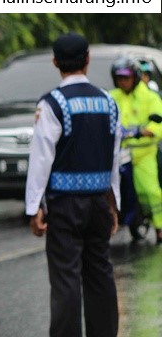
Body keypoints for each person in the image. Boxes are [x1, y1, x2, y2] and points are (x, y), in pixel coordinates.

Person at [25, 32, 120, 337]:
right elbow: (114, 157)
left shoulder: (53, 104)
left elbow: (41, 159)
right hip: (97, 202)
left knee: (66, 279)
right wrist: (112, 202)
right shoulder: (108, 102)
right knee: (100, 274)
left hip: (65, 205)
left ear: (55, 62)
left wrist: (34, 207)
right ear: (88, 59)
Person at [109, 57, 162, 243]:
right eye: (119, 78)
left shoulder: (150, 97)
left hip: (144, 153)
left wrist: (140, 131)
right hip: (119, 154)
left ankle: (159, 227)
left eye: (126, 77)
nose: (123, 82)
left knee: (150, 191)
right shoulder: (112, 96)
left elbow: (159, 125)